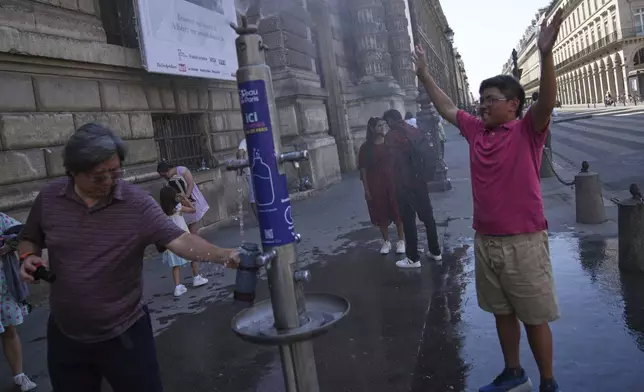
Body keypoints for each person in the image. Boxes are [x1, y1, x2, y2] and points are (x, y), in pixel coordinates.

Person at [17, 123, 240, 392]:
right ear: (73, 171)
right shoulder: (50, 198)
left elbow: (180, 239)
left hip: (126, 334)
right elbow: (29, 238)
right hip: (66, 336)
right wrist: (28, 256)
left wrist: (223, 254)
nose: (109, 182)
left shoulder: (136, 203)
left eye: (115, 172)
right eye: (99, 177)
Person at [411, 9, 563, 392]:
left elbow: (546, 102)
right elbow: (447, 108)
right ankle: (513, 372)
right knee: (502, 312)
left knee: (533, 316)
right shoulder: (477, 130)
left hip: (524, 241)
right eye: (481, 99)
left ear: (513, 104)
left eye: (491, 99)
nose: (483, 105)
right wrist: (425, 76)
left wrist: (545, 55)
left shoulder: (528, 130)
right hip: (486, 239)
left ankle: (548, 382)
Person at [383, 109, 442, 269]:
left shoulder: (391, 136)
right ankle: (435, 251)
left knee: (408, 221)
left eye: (386, 122)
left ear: (390, 120)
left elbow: (391, 162)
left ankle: (413, 258)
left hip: (403, 184)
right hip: (420, 181)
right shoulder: (415, 131)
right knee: (428, 218)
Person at [358, 117, 405, 255]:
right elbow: (363, 170)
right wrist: (366, 189)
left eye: (383, 124)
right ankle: (386, 241)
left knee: (397, 211)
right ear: (372, 129)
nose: (382, 127)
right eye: (379, 125)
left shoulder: (391, 142)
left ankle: (401, 240)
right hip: (376, 184)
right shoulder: (365, 148)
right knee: (381, 212)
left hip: (393, 182)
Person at [0, 214, 36, 391]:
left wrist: (9, 244)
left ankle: (19, 376)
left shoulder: (0, 219)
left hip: (4, 287)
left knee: (9, 330)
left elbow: (23, 230)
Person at [159, 186, 209, 297]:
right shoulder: (178, 208)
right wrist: (185, 199)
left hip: (171, 240)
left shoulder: (162, 212)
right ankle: (196, 278)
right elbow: (193, 210)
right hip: (183, 236)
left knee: (175, 265)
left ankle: (178, 287)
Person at [157, 161, 210, 234]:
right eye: (162, 176)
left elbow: (190, 183)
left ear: (169, 169)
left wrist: (186, 197)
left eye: (164, 175)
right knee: (190, 223)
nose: (164, 177)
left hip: (191, 196)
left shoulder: (182, 170)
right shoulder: (168, 181)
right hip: (182, 202)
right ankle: (194, 240)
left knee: (192, 222)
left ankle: (194, 240)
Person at [237, 138, 258, 219]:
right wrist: (240, 167)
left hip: (259, 171)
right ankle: (259, 219)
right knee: (254, 197)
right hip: (251, 173)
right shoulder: (245, 141)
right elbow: (240, 153)